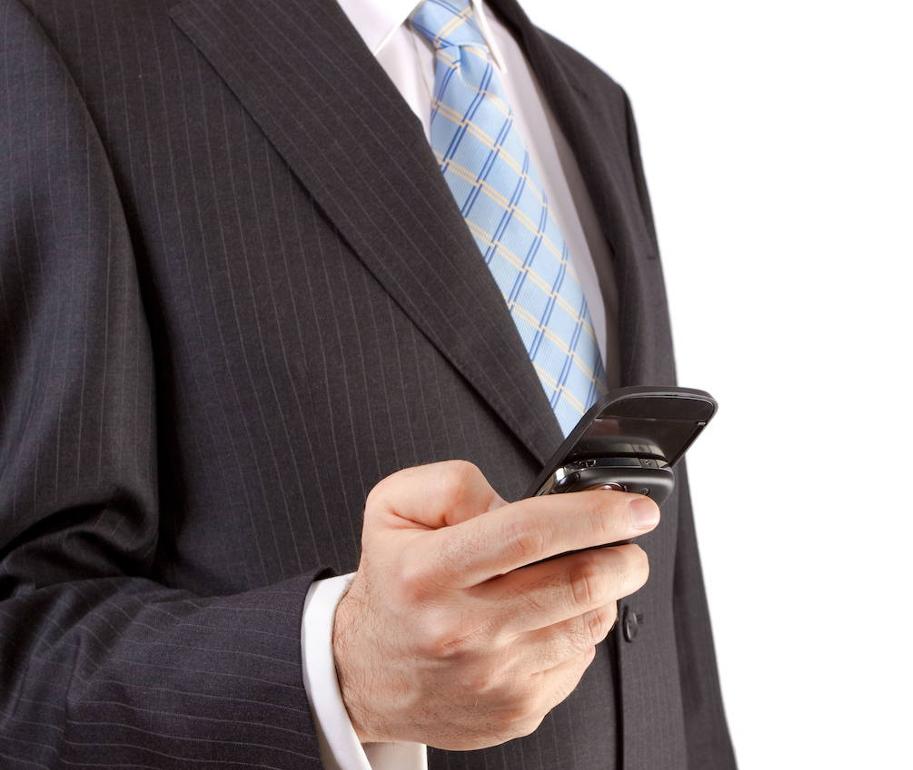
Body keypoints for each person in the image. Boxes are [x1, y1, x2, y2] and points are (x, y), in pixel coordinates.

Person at [0, 0, 735, 768]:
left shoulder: (590, 100)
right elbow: (19, 652)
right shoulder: (64, 39)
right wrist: (338, 670)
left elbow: (667, 631)